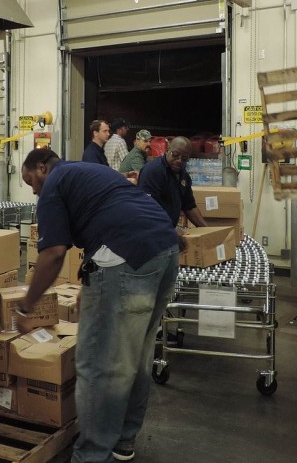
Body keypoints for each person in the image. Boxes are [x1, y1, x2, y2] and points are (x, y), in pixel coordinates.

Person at [18, 148, 180, 463]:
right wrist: (92, 283)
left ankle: (91, 455)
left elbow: (52, 255)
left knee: (101, 365)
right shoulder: (90, 171)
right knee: (138, 356)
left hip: (127, 257)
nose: (34, 190)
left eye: (31, 181)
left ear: (41, 167)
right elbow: (110, 220)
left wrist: (26, 308)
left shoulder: (55, 183)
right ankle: (123, 442)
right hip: (165, 249)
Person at [138, 135, 208, 229]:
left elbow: (189, 207)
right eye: (175, 155)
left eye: (184, 158)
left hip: (168, 231)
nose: (179, 160)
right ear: (167, 150)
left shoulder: (183, 175)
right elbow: (148, 209)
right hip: (151, 232)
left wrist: (207, 230)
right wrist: (171, 234)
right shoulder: (152, 171)